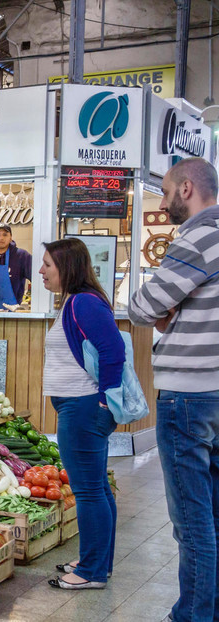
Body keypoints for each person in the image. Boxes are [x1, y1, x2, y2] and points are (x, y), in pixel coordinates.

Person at [128, 157, 219, 622]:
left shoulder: (200, 237)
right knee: (215, 513)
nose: (162, 204)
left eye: (165, 192)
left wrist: (166, 310)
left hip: (189, 395)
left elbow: (144, 306)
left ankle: (194, 615)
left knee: (191, 518)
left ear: (186, 188)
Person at [38, 238, 124, 590]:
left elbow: (113, 349)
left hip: (84, 407)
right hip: (79, 406)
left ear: (67, 268)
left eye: (47, 265)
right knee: (98, 488)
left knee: (88, 492)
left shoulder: (84, 303)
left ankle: (90, 572)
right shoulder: (75, 302)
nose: (41, 271)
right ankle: (97, 560)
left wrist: (104, 400)